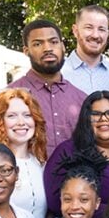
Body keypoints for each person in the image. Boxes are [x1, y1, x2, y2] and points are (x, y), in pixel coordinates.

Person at [44, 91, 109, 218]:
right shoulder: (68, 151)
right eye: (95, 114)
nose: (104, 119)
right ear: (86, 119)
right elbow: (55, 202)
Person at [10, 19, 87, 156]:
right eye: (38, 43)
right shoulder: (10, 95)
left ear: (63, 47)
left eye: (54, 42)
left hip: (74, 176)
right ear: (26, 51)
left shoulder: (81, 99)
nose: (48, 48)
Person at [0, 88, 49, 218]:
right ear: (0, 122)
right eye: (12, 116)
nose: (21, 122)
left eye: (27, 115)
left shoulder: (41, 165)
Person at [62, 5, 109, 94]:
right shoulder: (57, 74)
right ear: (75, 31)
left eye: (101, 29)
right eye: (89, 28)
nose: (95, 35)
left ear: (107, 34)